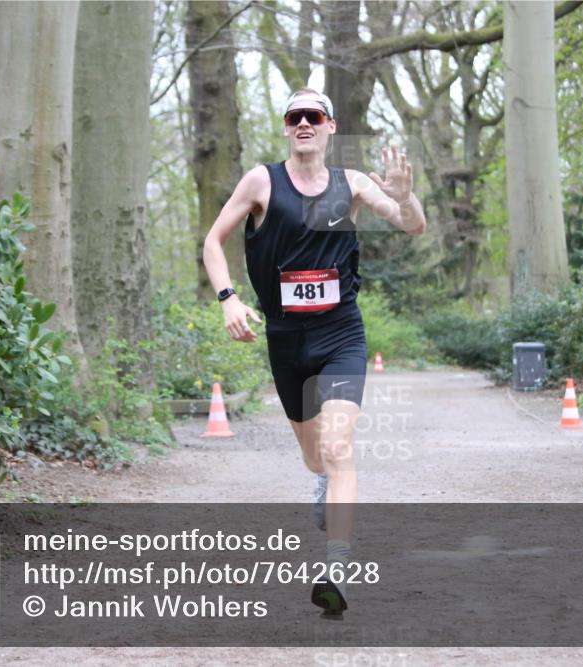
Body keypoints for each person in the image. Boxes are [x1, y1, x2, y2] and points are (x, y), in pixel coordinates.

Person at [202, 88, 426, 616]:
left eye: (315, 115)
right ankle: (323, 482)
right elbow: (213, 242)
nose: (304, 123)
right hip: (285, 339)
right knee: (314, 457)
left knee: (340, 446)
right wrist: (228, 300)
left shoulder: (352, 184)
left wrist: (406, 194)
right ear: (286, 127)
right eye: (295, 116)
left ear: (330, 125)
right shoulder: (262, 181)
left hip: (341, 333)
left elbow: (411, 224)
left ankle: (337, 567)